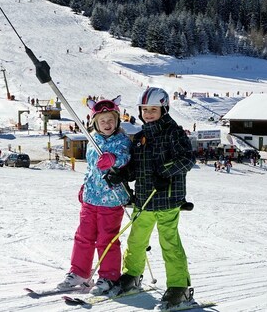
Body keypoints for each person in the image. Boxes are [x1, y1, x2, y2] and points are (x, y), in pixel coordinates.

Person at [105, 87, 195, 308]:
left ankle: (178, 287)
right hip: (144, 199)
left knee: (169, 243)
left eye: (153, 110)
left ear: (164, 109)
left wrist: (166, 172)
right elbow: (136, 168)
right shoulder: (140, 137)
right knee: (136, 240)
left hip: (167, 199)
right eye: (145, 110)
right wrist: (122, 174)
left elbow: (187, 159)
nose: (148, 114)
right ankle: (132, 275)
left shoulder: (173, 132)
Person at [57, 96, 132, 296]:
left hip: (112, 198)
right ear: (95, 123)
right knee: (84, 235)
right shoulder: (92, 140)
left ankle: (109, 276)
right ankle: (79, 272)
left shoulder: (121, 140)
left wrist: (114, 159)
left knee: (107, 239)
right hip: (91, 197)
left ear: (117, 121)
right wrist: (84, 186)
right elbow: (90, 168)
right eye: (102, 121)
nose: (107, 124)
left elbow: (126, 157)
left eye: (110, 120)